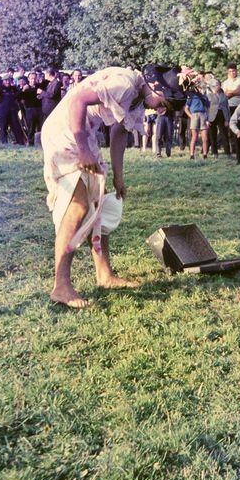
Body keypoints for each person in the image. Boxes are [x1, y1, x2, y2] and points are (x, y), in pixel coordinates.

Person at [41, 65, 188, 308]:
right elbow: (77, 100)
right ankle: (61, 285)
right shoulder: (124, 83)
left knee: (98, 204)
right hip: (65, 131)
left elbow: (118, 134)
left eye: (168, 108)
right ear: (156, 86)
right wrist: (84, 149)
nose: (161, 110)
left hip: (85, 134)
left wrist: (118, 177)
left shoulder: (138, 100)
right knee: (76, 207)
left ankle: (104, 274)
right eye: (164, 102)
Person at [0, 74, 25, 145]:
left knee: (16, 126)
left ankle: (20, 142)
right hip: (3, 111)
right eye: (6, 80)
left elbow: (20, 95)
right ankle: (4, 143)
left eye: (9, 80)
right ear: (3, 81)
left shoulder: (13, 88)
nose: (8, 82)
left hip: (13, 111)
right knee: (3, 127)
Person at [222, 62, 240, 153]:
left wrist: (231, 92)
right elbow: (225, 95)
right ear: (227, 72)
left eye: (234, 71)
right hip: (230, 107)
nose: (232, 73)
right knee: (232, 128)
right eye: (230, 71)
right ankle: (235, 148)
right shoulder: (225, 83)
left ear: (236, 71)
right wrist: (234, 92)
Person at [185, 84, 210, 160]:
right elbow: (186, 108)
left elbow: (208, 108)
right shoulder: (192, 97)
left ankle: (205, 154)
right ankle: (192, 154)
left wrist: (207, 118)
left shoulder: (205, 97)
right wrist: (190, 116)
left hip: (203, 115)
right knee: (194, 137)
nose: (200, 89)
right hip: (194, 115)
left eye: (201, 88)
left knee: (205, 137)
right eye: (199, 87)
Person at [207, 79, 231, 158]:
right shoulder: (209, 95)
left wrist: (227, 120)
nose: (216, 86)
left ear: (220, 86)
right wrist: (207, 120)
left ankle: (227, 153)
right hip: (212, 116)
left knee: (224, 134)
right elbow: (206, 108)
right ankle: (215, 153)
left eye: (218, 85)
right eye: (215, 85)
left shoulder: (223, 95)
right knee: (212, 135)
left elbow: (227, 107)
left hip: (222, 115)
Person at [20, 71, 42, 145]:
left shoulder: (39, 86)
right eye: (32, 78)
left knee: (40, 127)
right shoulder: (26, 88)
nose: (33, 80)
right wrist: (23, 90)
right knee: (31, 128)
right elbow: (18, 97)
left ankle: (39, 143)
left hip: (39, 109)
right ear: (28, 79)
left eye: (35, 78)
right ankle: (30, 142)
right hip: (30, 110)